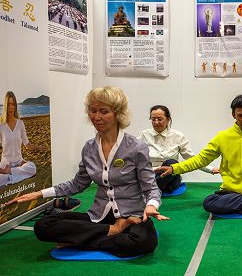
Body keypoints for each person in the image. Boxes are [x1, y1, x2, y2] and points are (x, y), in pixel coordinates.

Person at [7, 86, 167, 258]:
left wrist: (151, 206)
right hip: (99, 217)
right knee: (42, 226)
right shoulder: (89, 148)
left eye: (104, 111)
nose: (96, 117)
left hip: (131, 217)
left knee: (144, 242)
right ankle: (114, 231)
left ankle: (86, 239)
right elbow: (78, 183)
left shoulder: (136, 147)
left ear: (117, 114)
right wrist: (39, 193)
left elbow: (151, 187)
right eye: (93, 111)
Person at [138, 105, 219, 194]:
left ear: (168, 119)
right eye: (153, 119)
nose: (156, 122)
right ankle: (153, 188)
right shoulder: (143, 135)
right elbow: (133, 156)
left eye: (160, 119)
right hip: (150, 175)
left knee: (172, 162)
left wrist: (211, 169)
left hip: (171, 178)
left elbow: (191, 158)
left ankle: (150, 189)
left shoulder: (178, 136)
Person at [0, 91, 38, 187]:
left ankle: (10, 174)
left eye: (13, 104)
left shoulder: (20, 124)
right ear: (5, 106)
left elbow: (27, 144)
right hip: (5, 164)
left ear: (15, 106)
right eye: (8, 104)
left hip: (19, 162)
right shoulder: (1, 125)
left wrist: (39, 148)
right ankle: (13, 175)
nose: (11, 107)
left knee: (32, 168)